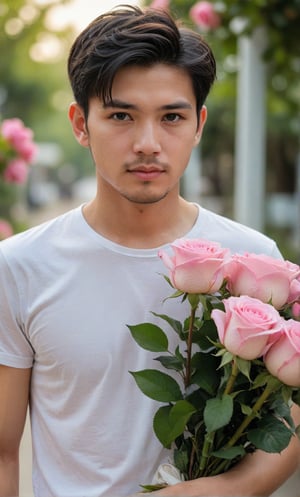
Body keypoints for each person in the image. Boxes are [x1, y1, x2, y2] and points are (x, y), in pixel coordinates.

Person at [0, 5, 299, 497]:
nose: (147, 143)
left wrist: (220, 491)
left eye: (171, 117)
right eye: (121, 115)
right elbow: (4, 451)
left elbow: (285, 428)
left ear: (198, 124)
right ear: (80, 124)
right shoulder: (20, 266)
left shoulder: (255, 261)